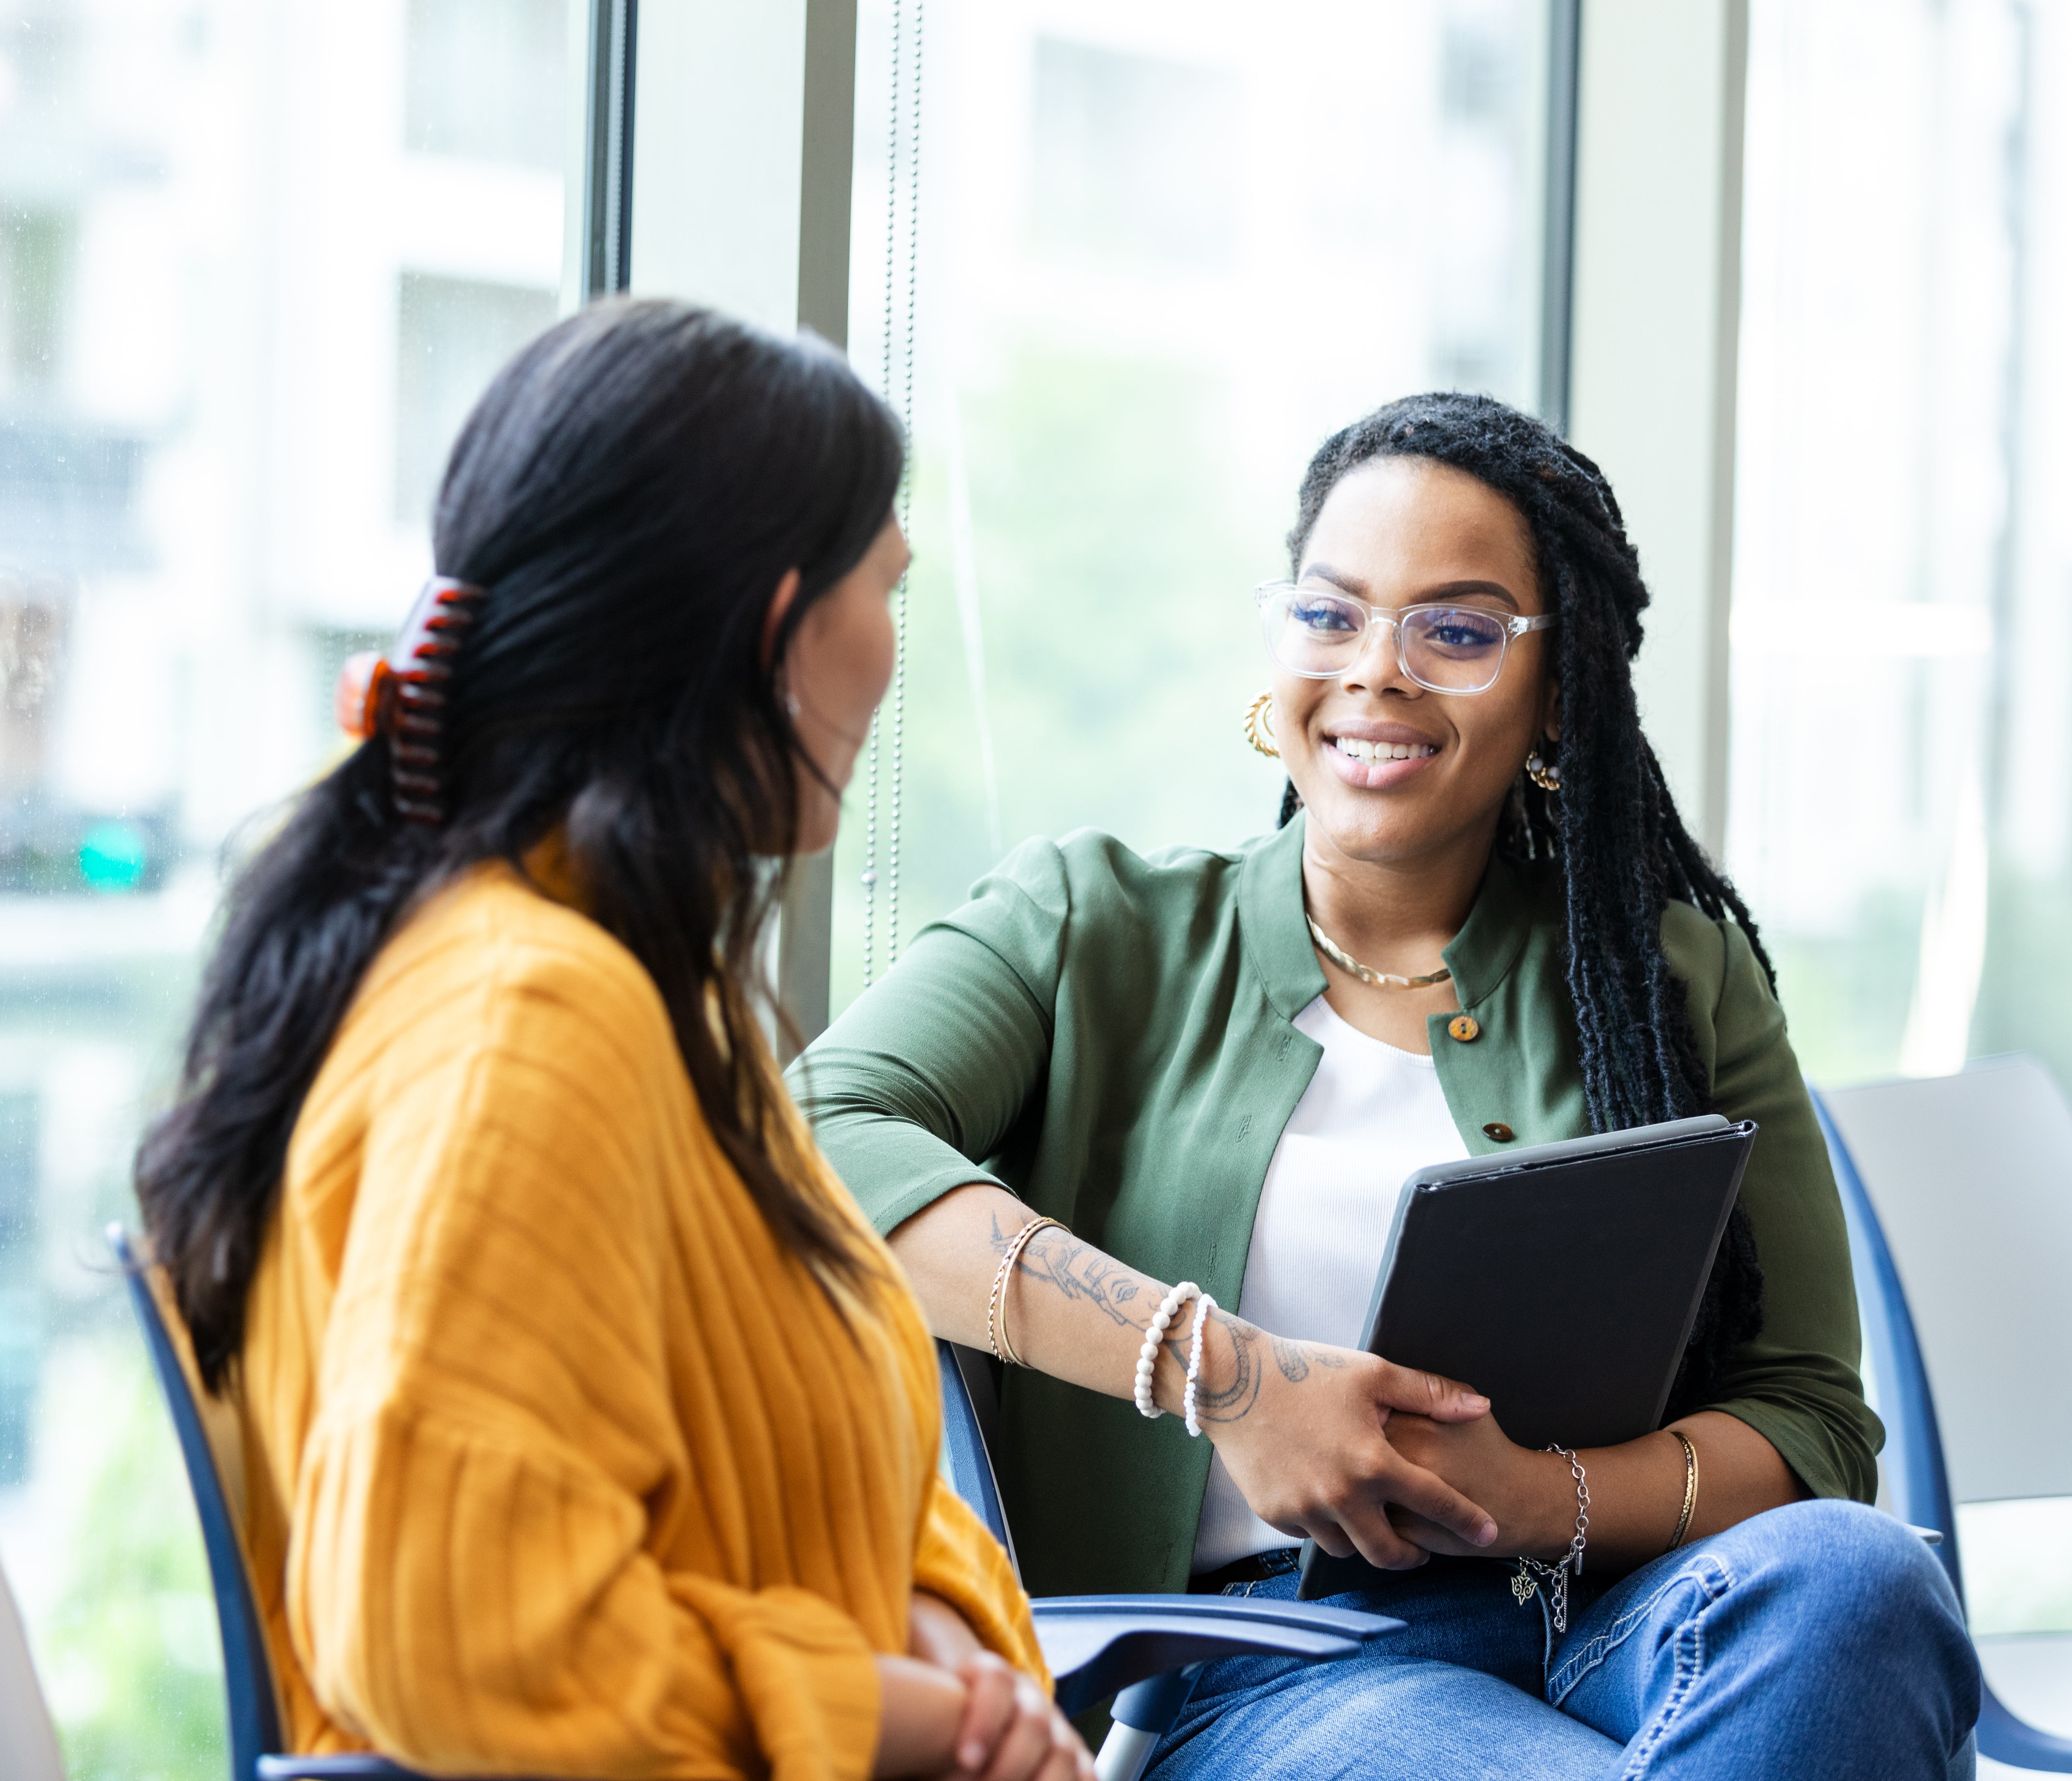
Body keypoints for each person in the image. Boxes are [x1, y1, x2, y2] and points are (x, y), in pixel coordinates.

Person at [791, 392, 1979, 1778]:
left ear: (1558, 691)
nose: (1377, 670)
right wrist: (1228, 1377)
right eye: (1330, 614)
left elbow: (1812, 1423)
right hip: (1279, 1663)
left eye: (1460, 632)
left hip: (1622, 1614)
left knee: (1862, 1585)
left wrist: (1543, 1501)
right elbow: (807, 1135)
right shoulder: (1088, 925)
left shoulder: (1674, 976)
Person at [134, 299, 1089, 1781]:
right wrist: (894, 1717)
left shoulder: (645, 992)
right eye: (885, 587)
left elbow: (849, 1485)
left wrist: (950, 1645)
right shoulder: (535, 1021)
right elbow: (459, 1635)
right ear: (781, 630)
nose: (894, 652)